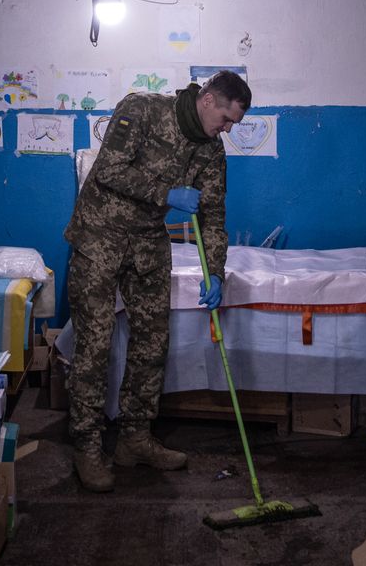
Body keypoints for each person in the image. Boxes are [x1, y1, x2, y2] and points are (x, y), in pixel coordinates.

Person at [64, 70, 250, 492]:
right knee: (94, 343)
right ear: (207, 99)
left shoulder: (210, 150)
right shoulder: (143, 110)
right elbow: (109, 169)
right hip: (100, 237)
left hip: (148, 243)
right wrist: (168, 193)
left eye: (232, 124)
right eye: (225, 118)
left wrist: (215, 271)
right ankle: (88, 446)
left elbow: (214, 215)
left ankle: (135, 439)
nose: (226, 129)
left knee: (152, 342)